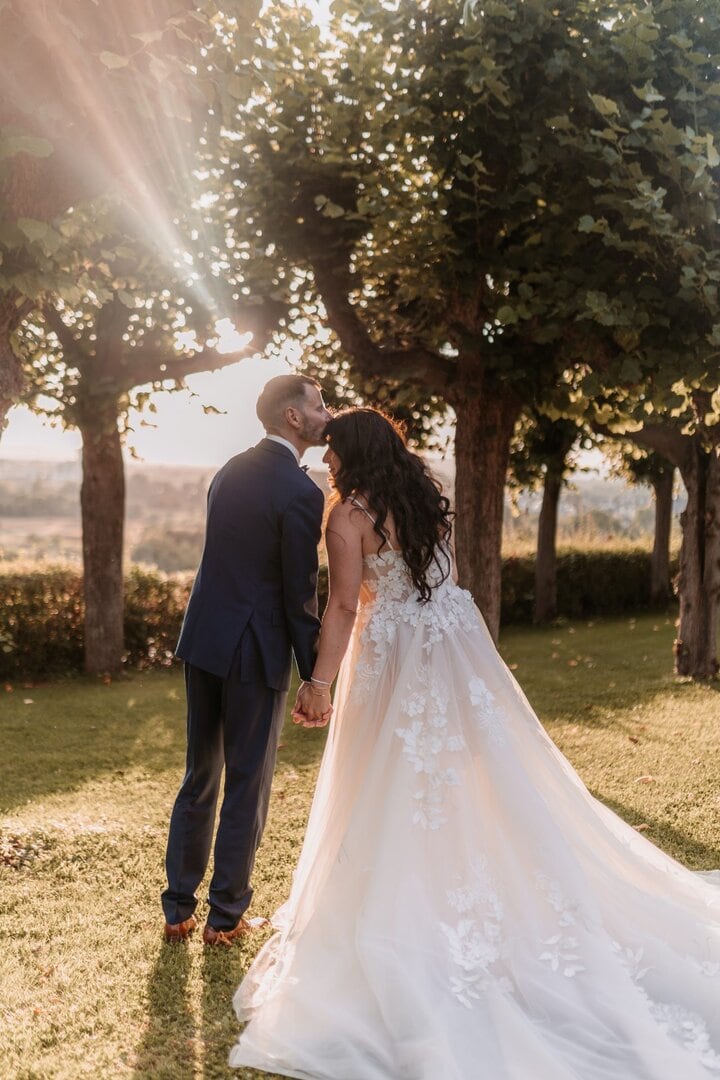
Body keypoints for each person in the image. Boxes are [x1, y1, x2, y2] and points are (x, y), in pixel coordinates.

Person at [230, 406, 720, 1078]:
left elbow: (345, 605)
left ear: (354, 453)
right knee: (466, 779)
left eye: (333, 451)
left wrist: (318, 681)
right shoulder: (425, 492)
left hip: (393, 654)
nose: (327, 462)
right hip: (452, 645)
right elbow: (441, 581)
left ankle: (405, 913)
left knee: (386, 783)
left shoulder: (347, 515)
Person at [161, 374, 331, 946]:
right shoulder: (302, 492)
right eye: (318, 404)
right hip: (253, 650)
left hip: (203, 641)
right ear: (292, 418)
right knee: (247, 784)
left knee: (200, 775)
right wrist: (316, 673)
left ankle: (178, 908)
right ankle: (225, 918)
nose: (326, 413)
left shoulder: (229, 470)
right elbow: (299, 594)